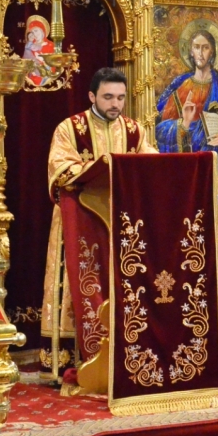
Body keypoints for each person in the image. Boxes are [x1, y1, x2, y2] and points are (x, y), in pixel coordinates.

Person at [41, 67, 156, 369]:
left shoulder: (134, 130)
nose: (115, 104)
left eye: (120, 97)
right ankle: (73, 357)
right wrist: (95, 168)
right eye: (108, 97)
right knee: (80, 280)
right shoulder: (70, 128)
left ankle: (127, 351)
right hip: (79, 217)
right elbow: (59, 168)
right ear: (92, 96)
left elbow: (151, 164)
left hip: (122, 220)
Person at [156, 29, 218, 175]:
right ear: (191, 51)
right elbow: (159, 131)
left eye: (205, 47)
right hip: (187, 165)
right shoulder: (180, 86)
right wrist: (184, 124)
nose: (200, 53)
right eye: (196, 47)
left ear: (212, 51)